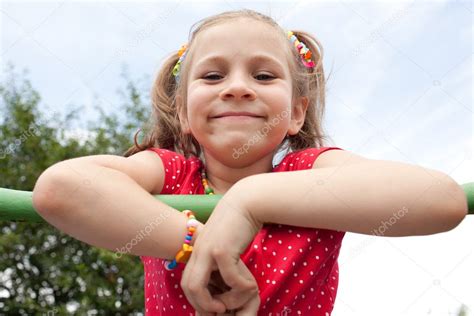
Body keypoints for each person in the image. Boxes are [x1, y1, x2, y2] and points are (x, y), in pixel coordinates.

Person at [32, 9, 468, 316]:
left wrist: (249, 200)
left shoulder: (310, 172)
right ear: (183, 113)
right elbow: (61, 188)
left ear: (296, 112)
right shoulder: (171, 175)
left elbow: (441, 200)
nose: (237, 88)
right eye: (213, 75)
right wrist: (197, 245)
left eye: (263, 75)